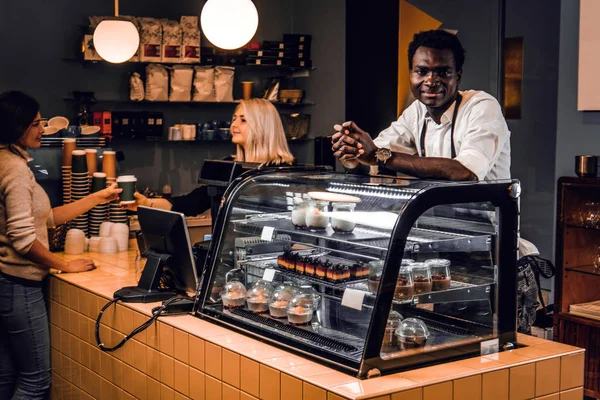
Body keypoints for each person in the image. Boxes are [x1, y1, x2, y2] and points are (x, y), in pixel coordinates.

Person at [0, 91, 121, 399]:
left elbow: (47, 218)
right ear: (18, 127)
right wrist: (65, 265)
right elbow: (23, 238)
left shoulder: (8, 161)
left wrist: (96, 197)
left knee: (6, 376)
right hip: (19, 287)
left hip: (6, 286)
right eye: (37, 124)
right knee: (35, 381)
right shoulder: (14, 169)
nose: (43, 130)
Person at [332, 29, 511, 181]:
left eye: (443, 72)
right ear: (411, 74)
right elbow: (374, 153)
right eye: (422, 71)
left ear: (458, 77)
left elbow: (466, 172)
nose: (431, 81)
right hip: (438, 219)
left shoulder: (482, 107)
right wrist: (353, 152)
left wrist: (378, 156)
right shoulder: (416, 112)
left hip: (488, 221)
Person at [123, 98, 295, 216]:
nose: (233, 125)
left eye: (243, 120)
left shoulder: (283, 171)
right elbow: (190, 204)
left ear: (263, 126)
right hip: (226, 258)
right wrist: (146, 203)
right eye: (234, 119)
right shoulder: (228, 166)